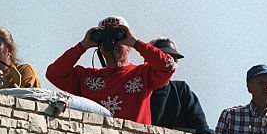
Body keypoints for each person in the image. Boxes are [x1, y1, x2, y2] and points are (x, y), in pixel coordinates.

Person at [46, 16, 175, 124]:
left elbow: (168, 65)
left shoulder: (143, 74)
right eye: (106, 38)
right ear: (99, 46)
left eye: (119, 37)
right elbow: (54, 74)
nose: (113, 43)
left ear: (129, 46)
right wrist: (83, 45)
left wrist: (135, 42)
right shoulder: (86, 78)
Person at [147, 38, 215, 134]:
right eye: (163, 58)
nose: (168, 63)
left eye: (173, 59)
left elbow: (203, 130)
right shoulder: (138, 89)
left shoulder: (181, 90)